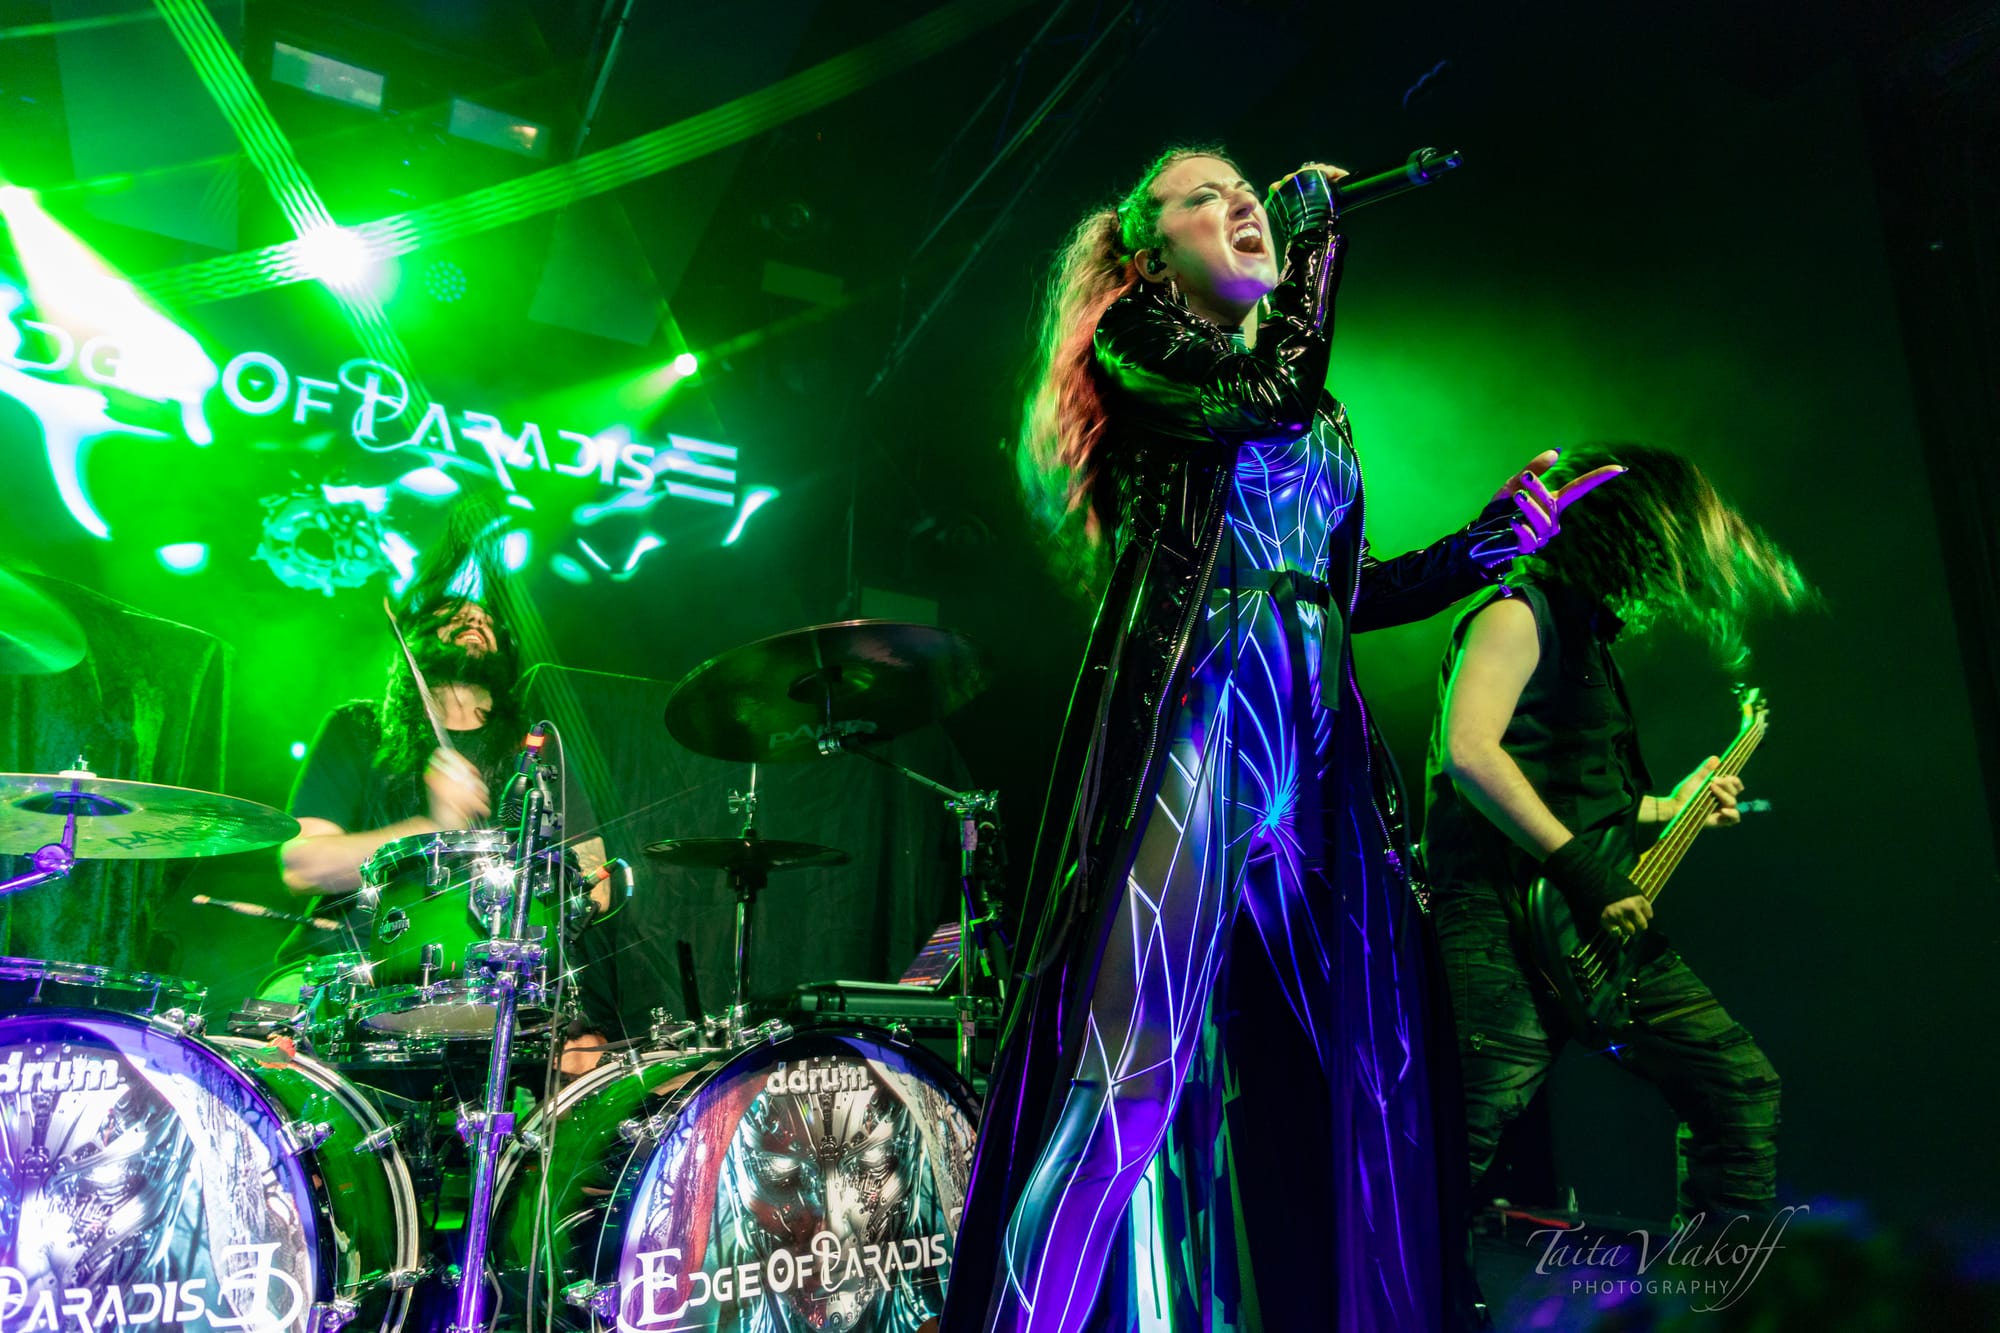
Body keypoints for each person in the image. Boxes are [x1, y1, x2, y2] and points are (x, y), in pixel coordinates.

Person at [940, 146, 1617, 1333]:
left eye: (1247, 189)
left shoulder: (1320, 406)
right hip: (1202, 712)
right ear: (1147, 250)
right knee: (1128, 1072)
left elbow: (1343, 586)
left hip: (1315, 744)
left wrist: (1484, 546)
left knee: (1373, 1073)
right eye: (1205, 196)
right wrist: (1316, 244)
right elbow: (1266, 399)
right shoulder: (1141, 339)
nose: (1244, 202)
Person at [1421, 443, 1810, 1235]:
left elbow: (1567, 790)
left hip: (1585, 920)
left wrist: (1668, 808)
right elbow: (1470, 753)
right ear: (1627, 531)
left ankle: (1718, 1289)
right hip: (1501, 918)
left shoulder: (1586, 634)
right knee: (1455, 1143)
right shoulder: (1514, 611)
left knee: (1736, 1085)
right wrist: (1588, 873)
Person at [268, 526, 614, 1069]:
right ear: (414, 636)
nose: (475, 621)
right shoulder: (358, 728)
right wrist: (435, 826)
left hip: (498, 989)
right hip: (342, 972)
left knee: (587, 1067)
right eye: (452, 614)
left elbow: (596, 881)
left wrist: (561, 898)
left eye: (486, 620)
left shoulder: (538, 750)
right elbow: (302, 865)